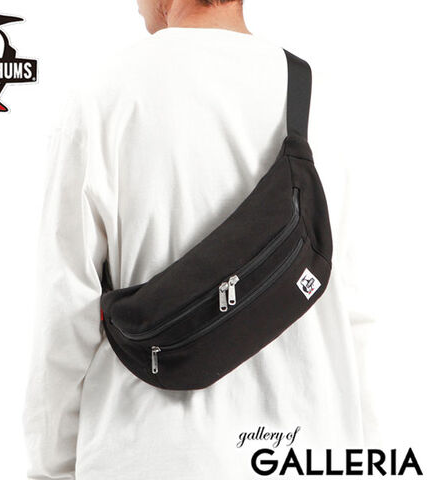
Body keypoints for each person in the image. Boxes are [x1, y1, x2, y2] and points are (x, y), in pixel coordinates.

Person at [23, 1, 377, 479]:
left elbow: (64, 317)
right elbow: (357, 319)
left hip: (144, 457)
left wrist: (51, 470)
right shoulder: (321, 102)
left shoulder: (102, 98)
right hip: (301, 454)